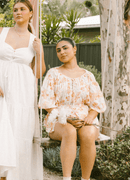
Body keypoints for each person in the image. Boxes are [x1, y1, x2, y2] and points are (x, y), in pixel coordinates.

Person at [0, 0, 46, 179]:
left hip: (22, 95)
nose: (18, 12)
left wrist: (39, 52)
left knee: (17, 135)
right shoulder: (1, 32)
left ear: (31, 13)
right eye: (15, 10)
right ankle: (0, 177)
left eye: (22, 9)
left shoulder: (34, 40)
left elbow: (38, 73)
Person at [38, 38, 106, 180]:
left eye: (65, 48)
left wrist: (89, 118)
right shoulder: (53, 74)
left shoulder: (88, 75)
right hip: (59, 119)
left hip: (84, 120)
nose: (61, 52)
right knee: (69, 131)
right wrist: (66, 118)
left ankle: (85, 178)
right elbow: (47, 103)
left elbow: (97, 103)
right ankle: (66, 178)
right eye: (58, 50)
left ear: (74, 49)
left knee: (88, 135)